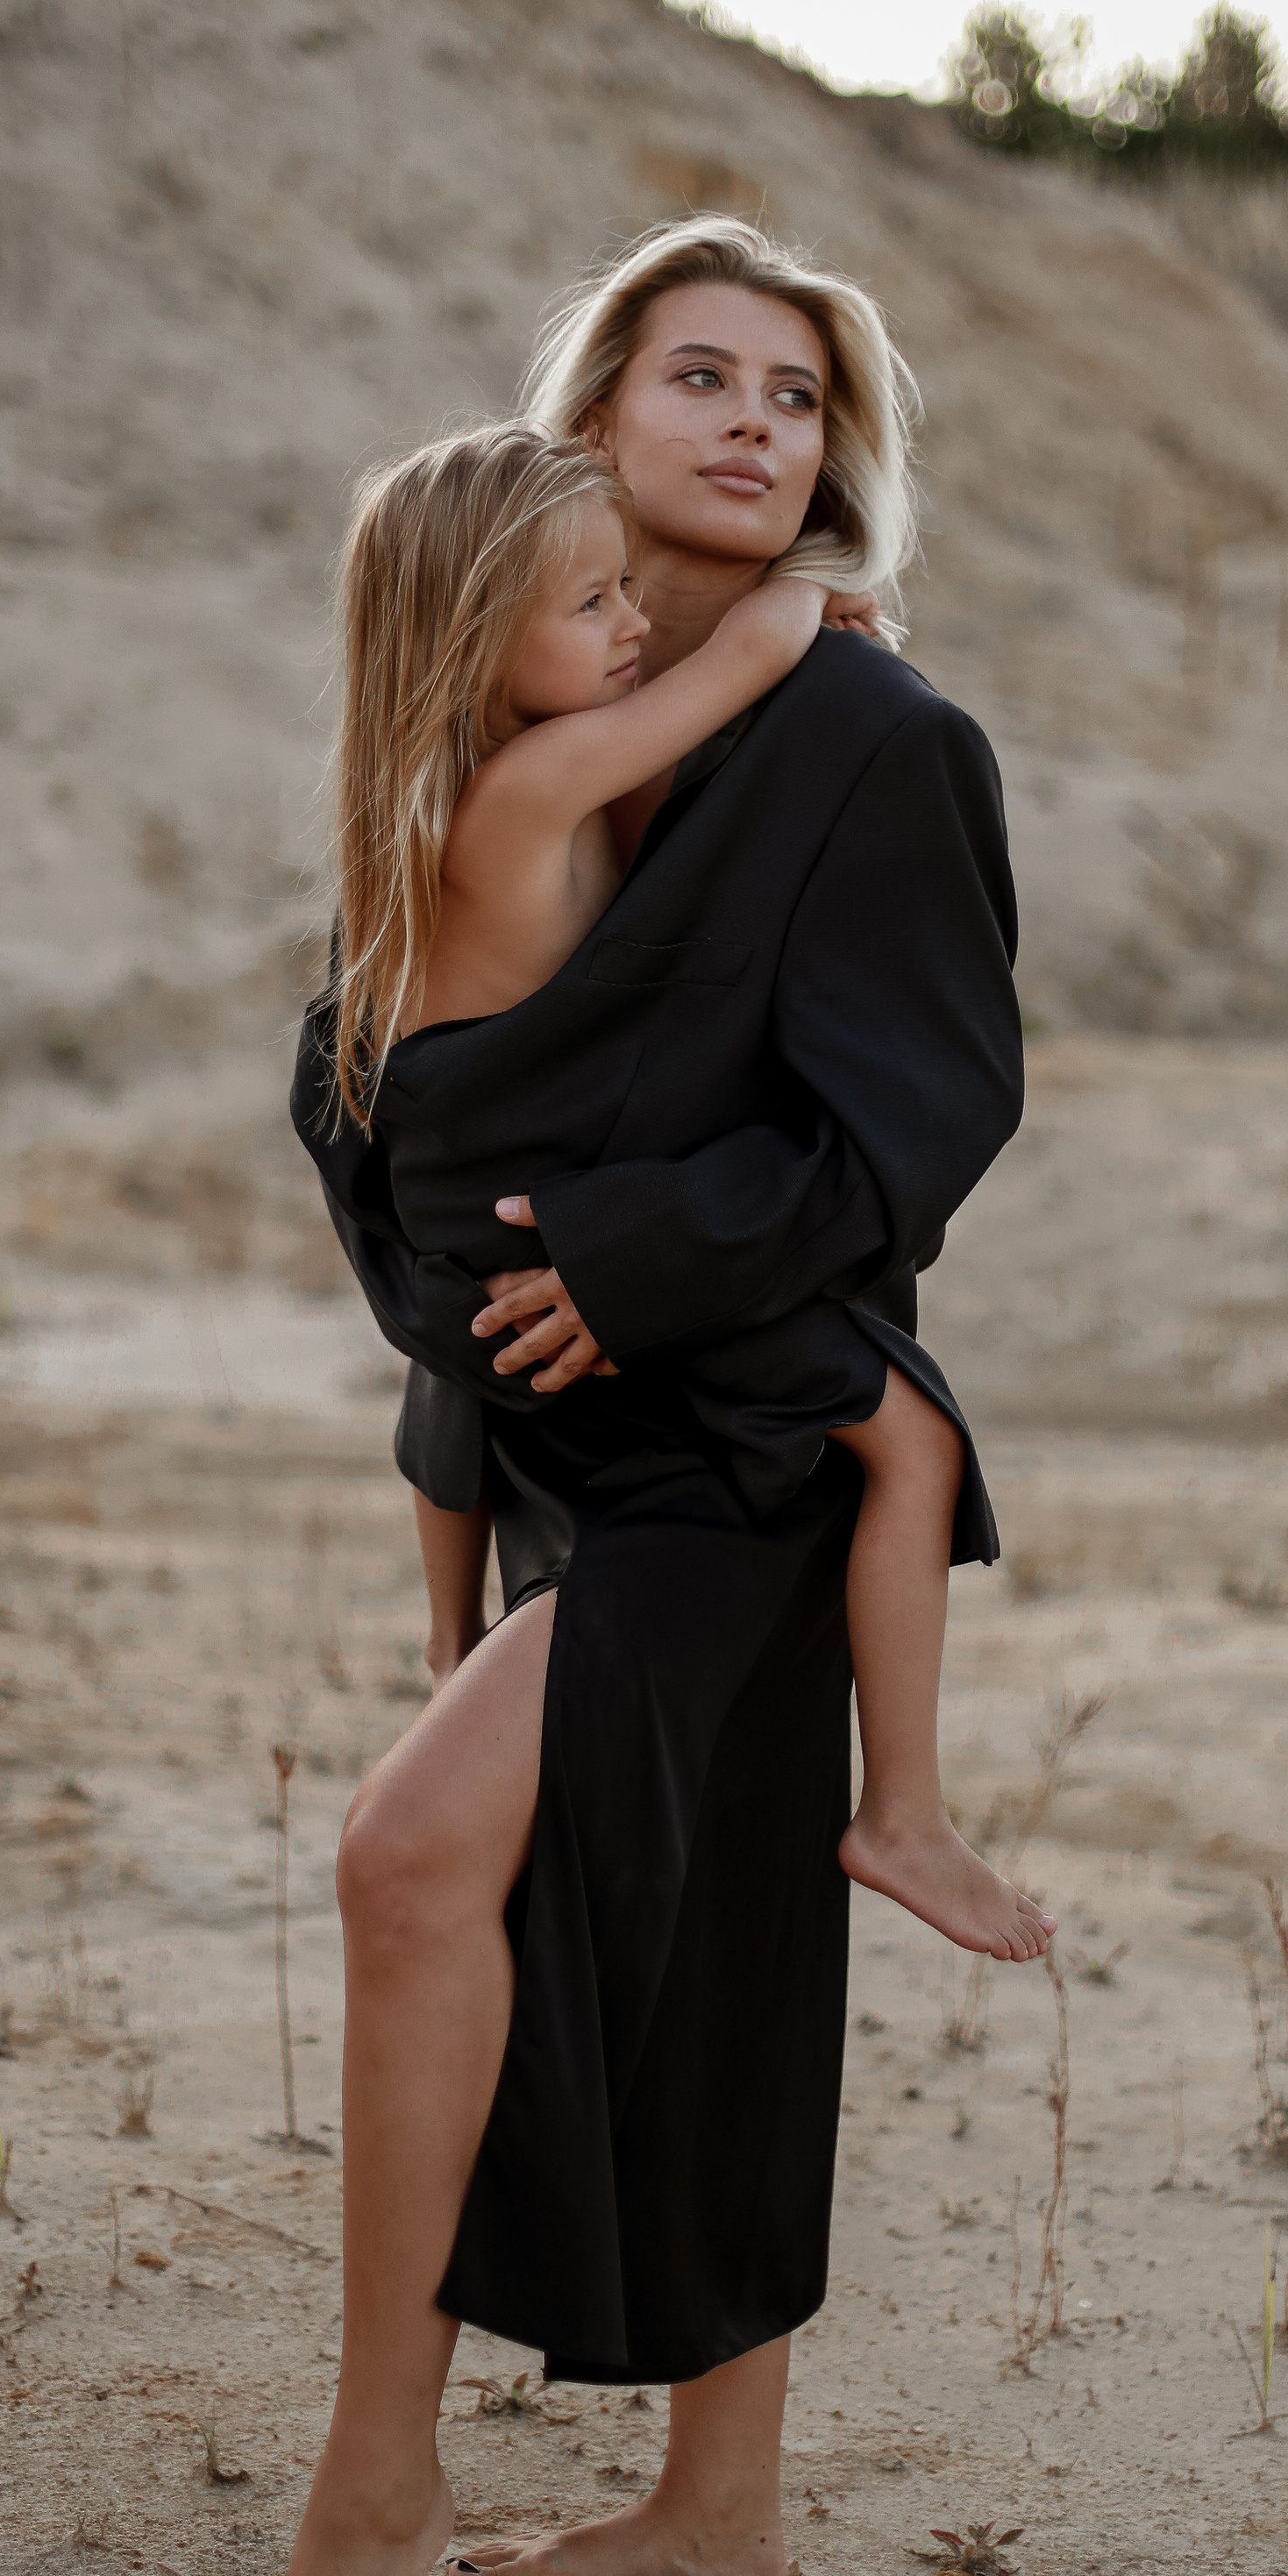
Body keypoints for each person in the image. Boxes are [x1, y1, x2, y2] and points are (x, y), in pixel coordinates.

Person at [224, 217, 1041, 2576]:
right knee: (696, 1927)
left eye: (796, 397)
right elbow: (372, 1061)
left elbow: (920, 1115)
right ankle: (720, 2507)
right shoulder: (510, 686)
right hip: (547, 1419)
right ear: (589, 415)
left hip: (737, 1421)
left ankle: (383, 2475)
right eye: (701, 375)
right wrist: (469, 1307)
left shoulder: (873, 732)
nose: (754, 426)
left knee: (457, 1870)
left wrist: (637, 1261)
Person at [321, 416, 1049, 1951]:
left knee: (457, 1379)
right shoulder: (540, 783)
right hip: (543, 1222)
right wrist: (810, 593)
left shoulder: (433, 793)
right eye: (592, 605)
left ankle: (451, 1640)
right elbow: (739, 673)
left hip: (458, 1202)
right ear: (477, 637)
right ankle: (904, 1814)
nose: (632, 627)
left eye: (625, 596)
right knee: (913, 1439)